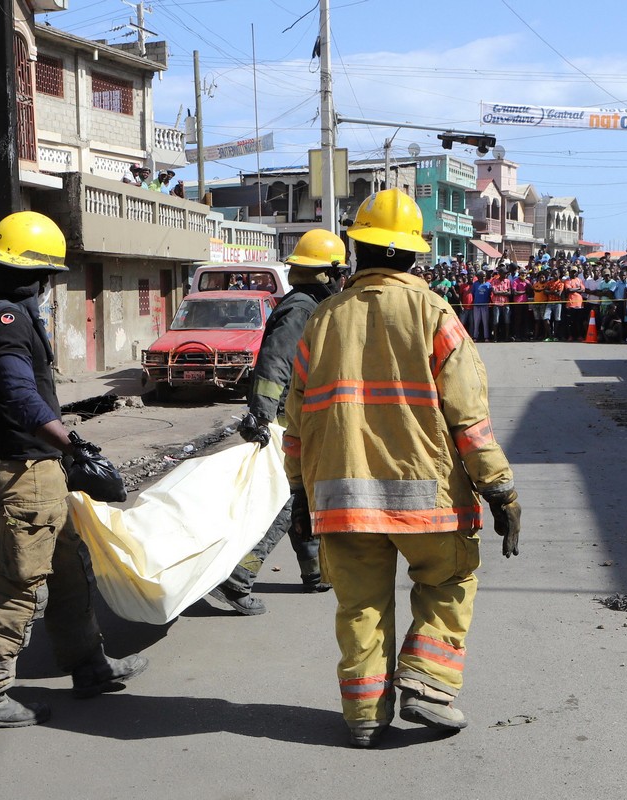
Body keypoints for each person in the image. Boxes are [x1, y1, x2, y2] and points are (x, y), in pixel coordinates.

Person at [283, 189, 521, 749]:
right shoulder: (436, 315)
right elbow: (470, 418)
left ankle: (364, 714)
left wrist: (297, 495)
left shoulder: (321, 322)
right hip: (430, 500)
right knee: (448, 582)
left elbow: (295, 424)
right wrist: (500, 489)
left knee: (359, 605)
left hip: (342, 501)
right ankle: (428, 685)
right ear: (415, 256)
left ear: (356, 248)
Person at [0, 211, 147, 730]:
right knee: (17, 583)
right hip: (27, 471)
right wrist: (75, 443)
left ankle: (89, 666)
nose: (46, 288)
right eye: (46, 278)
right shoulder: (5, 323)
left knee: (69, 571)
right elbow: (21, 397)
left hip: (36, 466)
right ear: (35, 277)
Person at [213, 229, 346, 615]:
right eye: (338, 275)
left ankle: (316, 573)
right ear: (327, 274)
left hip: (298, 419)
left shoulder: (305, 304)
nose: (342, 282)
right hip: (287, 422)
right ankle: (238, 579)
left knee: (302, 496)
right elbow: (276, 361)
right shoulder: (302, 309)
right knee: (287, 503)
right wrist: (263, 412)